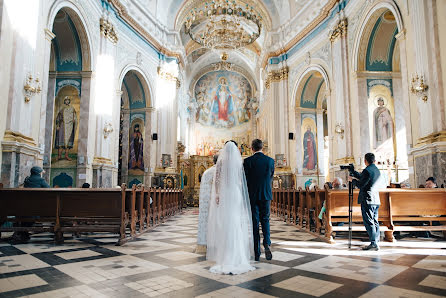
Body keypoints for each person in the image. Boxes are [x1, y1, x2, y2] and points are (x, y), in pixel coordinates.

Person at [207, 142, 255, 274]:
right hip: (235, 193)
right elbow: (241, 181)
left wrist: (217, 193)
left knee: (225, 221)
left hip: (225, 192)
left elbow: (217, 180)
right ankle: (238, 255)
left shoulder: (221, 163)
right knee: (235, 220)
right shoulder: (238, 163)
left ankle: (225, 255)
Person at [243, 139, 274, 261]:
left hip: (253, 195)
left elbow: (245, 179)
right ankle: (267, 243)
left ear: (252, 148)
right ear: (262, 148)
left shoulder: (247, 161)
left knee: (255, 222)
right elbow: (270, 176)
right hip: (266, 194)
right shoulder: (270, 161)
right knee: (265, 219)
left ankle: (257, 253)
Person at [348, 153, 386, 251]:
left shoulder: (367, 170)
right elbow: (363, 177)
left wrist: (352, 181)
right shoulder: (376, 170)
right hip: (375, 199)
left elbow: (361, 184)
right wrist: (353, 172)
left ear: (365, 161)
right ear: (374, 160)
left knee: (369, 222)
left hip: (367, 199)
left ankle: (373, 243)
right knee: (374, 221)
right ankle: (376, 242)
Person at [12, 166, 50, 243]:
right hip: (37, 207)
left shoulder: (27, 179)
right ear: (39, 173)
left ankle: (23, 232)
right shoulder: (40, 180)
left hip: (25, 206)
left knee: (26, 215)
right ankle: (24, 231)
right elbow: (48, 189)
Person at [196, 154, 218, 253]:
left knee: (207, 221)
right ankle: (216, 242)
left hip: (206, 201)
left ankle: (205, 241)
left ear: (213, 161)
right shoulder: (220, 172)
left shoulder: (206, 172)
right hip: (217, 202)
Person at [55, 96, 77, 161]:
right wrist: (58, 125)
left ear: (69, 101)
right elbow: (58, 118)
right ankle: (59, 156)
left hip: (70, 127)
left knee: (68, 143)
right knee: (61, 142)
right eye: (65, 100)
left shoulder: (72, 109)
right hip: (63, 126)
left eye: (68, 100)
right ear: (64, 101)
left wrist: (74, 120)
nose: (67, 101)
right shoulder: (62, 109)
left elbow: (75, 117)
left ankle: (66, 155)